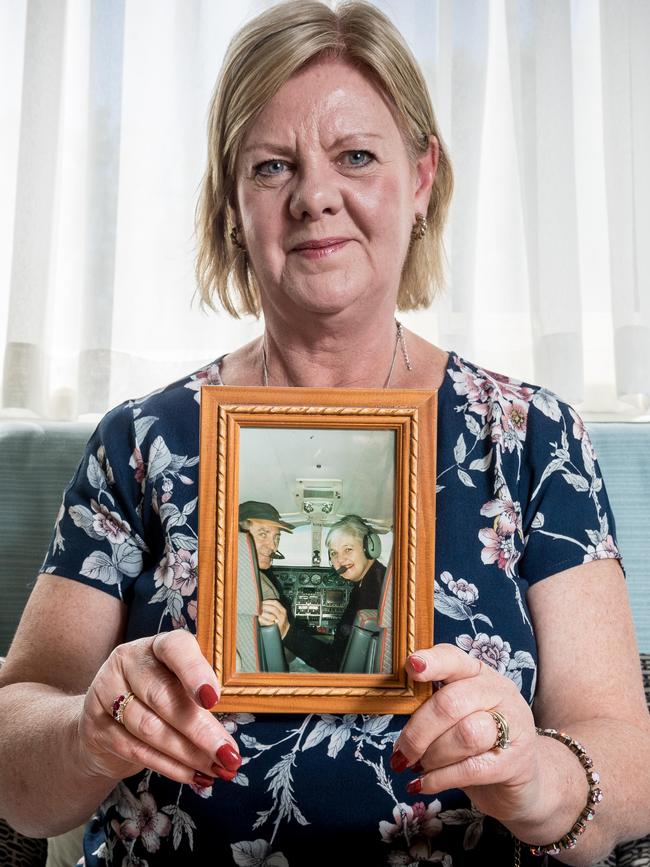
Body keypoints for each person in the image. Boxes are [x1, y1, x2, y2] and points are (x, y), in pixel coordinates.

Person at [0, 2, 649, 865]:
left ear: (421, 178)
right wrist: (89, 729)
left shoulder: (532, 439)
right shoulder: (140, 442)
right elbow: (14, 753)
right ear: (233, 203)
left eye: (355, 156)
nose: (314, 196)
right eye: (272, 166)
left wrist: (543, 776)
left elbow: (628, 759)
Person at [281, 515, 387, 672]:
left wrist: (287, 632)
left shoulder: (375, 593)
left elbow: (336, 664)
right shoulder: (372, 581)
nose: (340, 560)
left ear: (370, 548)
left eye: (348, 549)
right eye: (333, 553)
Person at [238, 499, 294, 640]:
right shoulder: (244, 580)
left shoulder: (254, 575)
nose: (273, 547)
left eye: (276, 538)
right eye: (263, 534)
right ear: (238, 536)